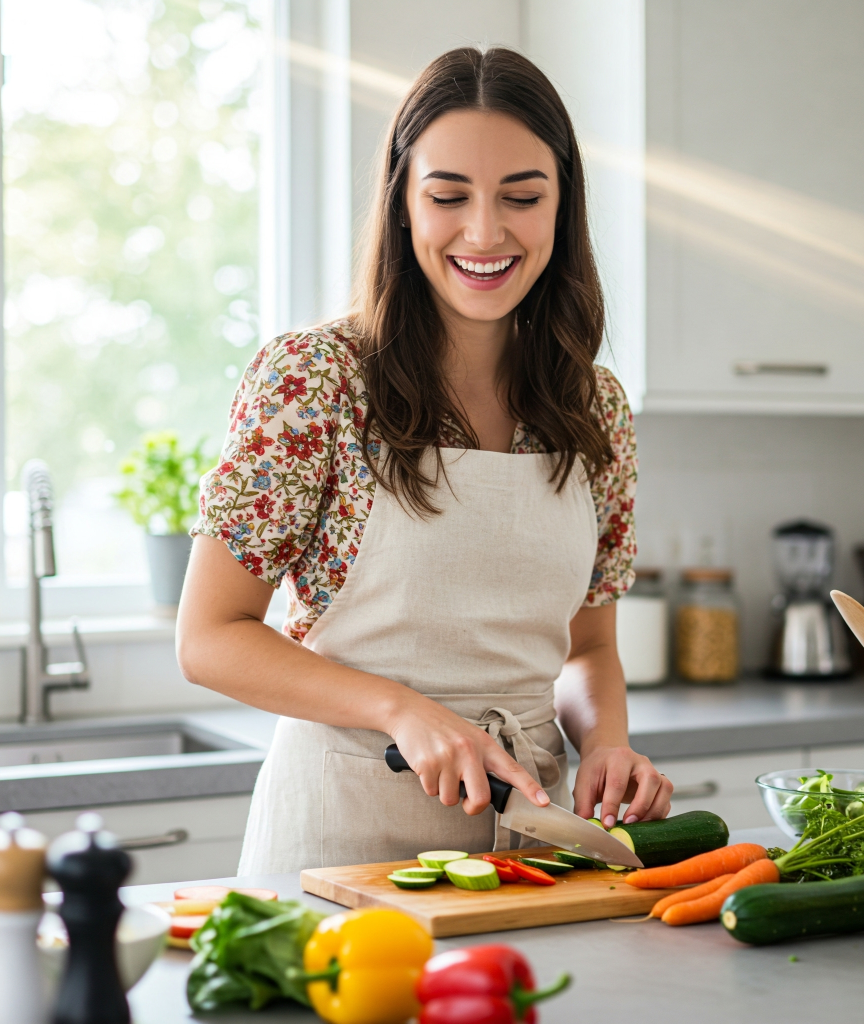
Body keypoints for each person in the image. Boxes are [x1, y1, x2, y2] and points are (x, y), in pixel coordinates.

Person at [176, 46, 673, 873]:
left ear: (562, 208)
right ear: (403, 203)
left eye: (522, 197)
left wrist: (608, 745)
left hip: (533, 848)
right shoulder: (316, 379)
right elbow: (209, 637)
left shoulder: (595, 408)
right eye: (448, 196)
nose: (486, 232)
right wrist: (401, 710)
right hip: (339, 843)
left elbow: (588, 648)